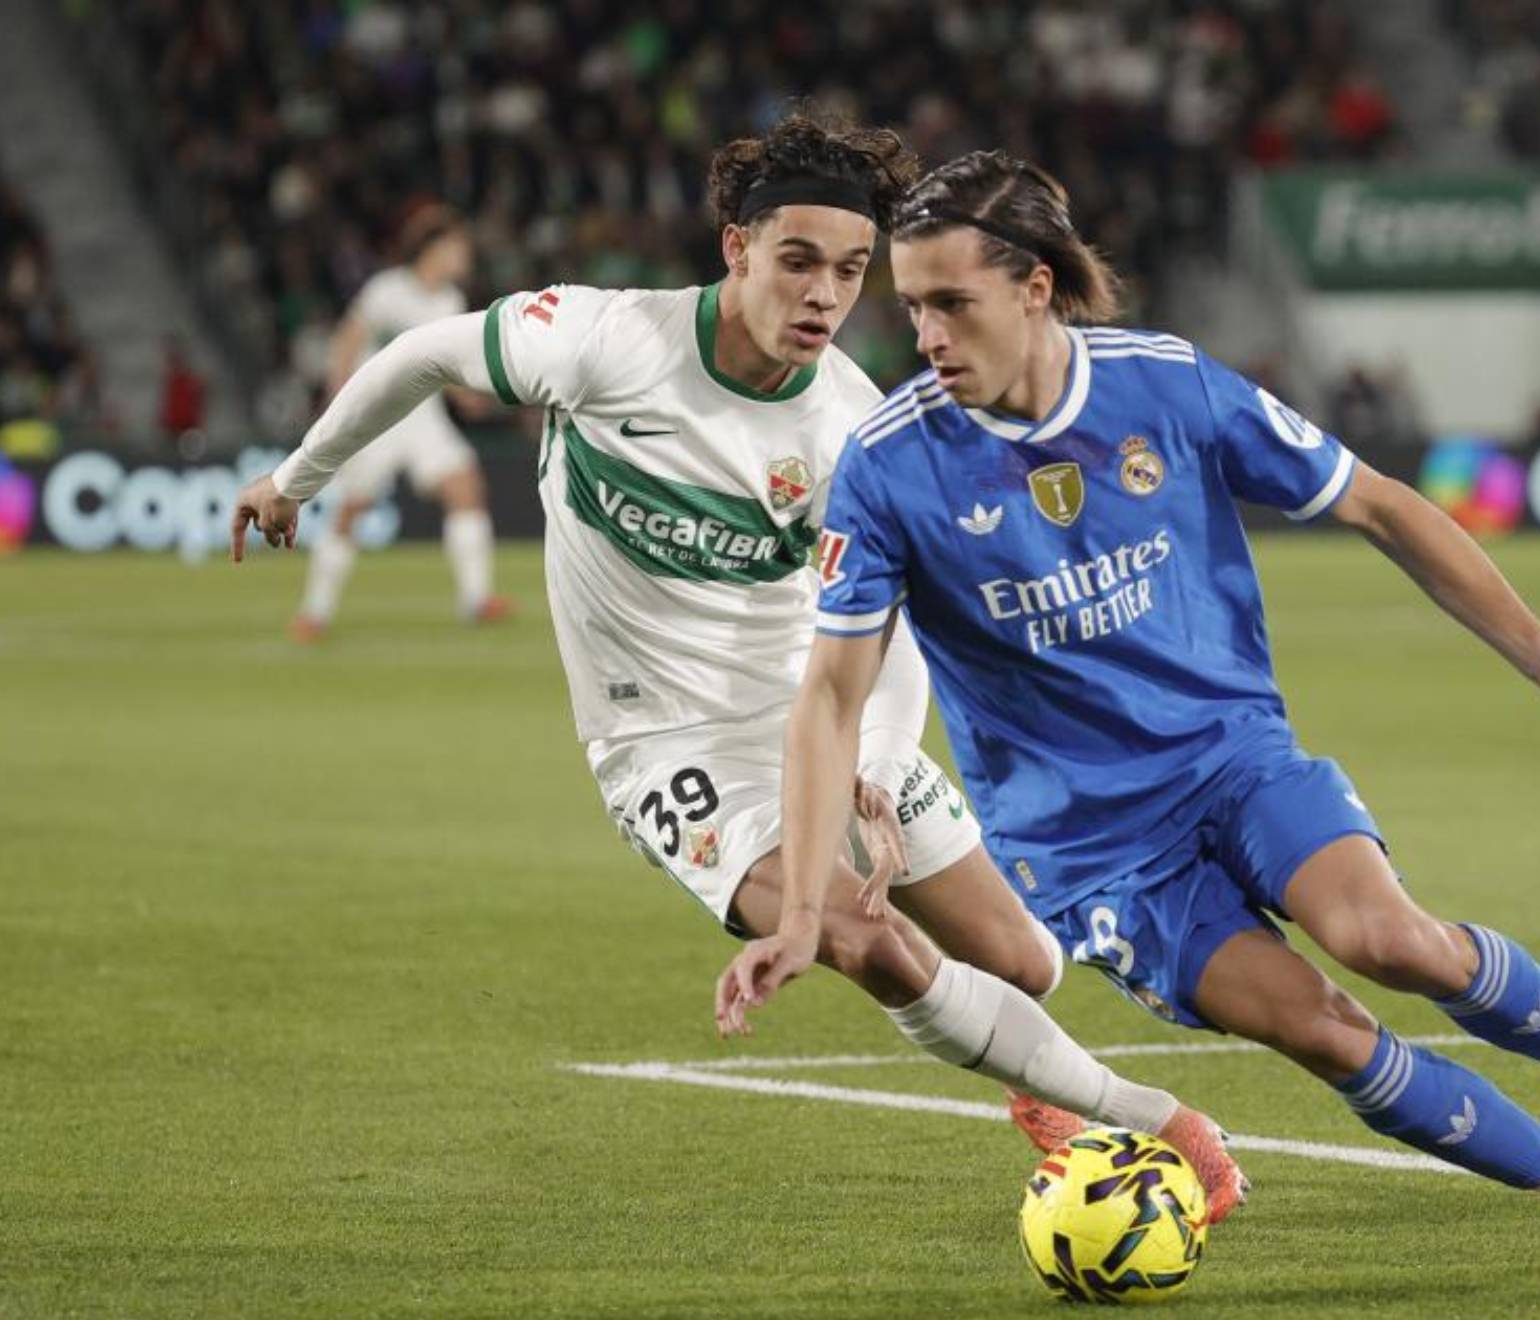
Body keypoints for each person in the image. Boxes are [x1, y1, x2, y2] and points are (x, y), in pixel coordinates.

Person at [724, 150, 1540, 1279]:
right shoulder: (890, 466)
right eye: (914, 308)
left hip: (1232, 757)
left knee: (1391, 939)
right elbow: (830, 695)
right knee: (1322, 1027)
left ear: (1035, 287)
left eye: (954, 304)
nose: (927, 337)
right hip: (1092, 851)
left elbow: (1376, 502)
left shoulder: (1166, 386)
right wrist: (801, 912)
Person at [230, 115, 1242, 1217]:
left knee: (1022, 962)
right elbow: (423, 353)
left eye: (852, 272)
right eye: (797, 261)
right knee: (864, 941)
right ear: (737, 251)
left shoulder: (858, 430)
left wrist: (879, 759)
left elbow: (892, 625)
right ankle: (1153, 1121)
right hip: (665, 741)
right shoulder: (605, 342)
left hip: (816, 714)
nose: (822, 295)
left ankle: (1028, 1080)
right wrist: (298, 478)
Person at [290, 204, 510, 641]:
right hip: (376, 413)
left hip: (422, 414)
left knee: (465, 487)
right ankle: (314, 613)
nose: (465, 258)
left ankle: (477, 599)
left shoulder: (451, 301)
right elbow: (348, 341)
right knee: (353, 508)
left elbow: (445, 366)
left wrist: (471, 398)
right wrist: (339, 408)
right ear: (435, 249)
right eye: (458, 248)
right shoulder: (387, 290)